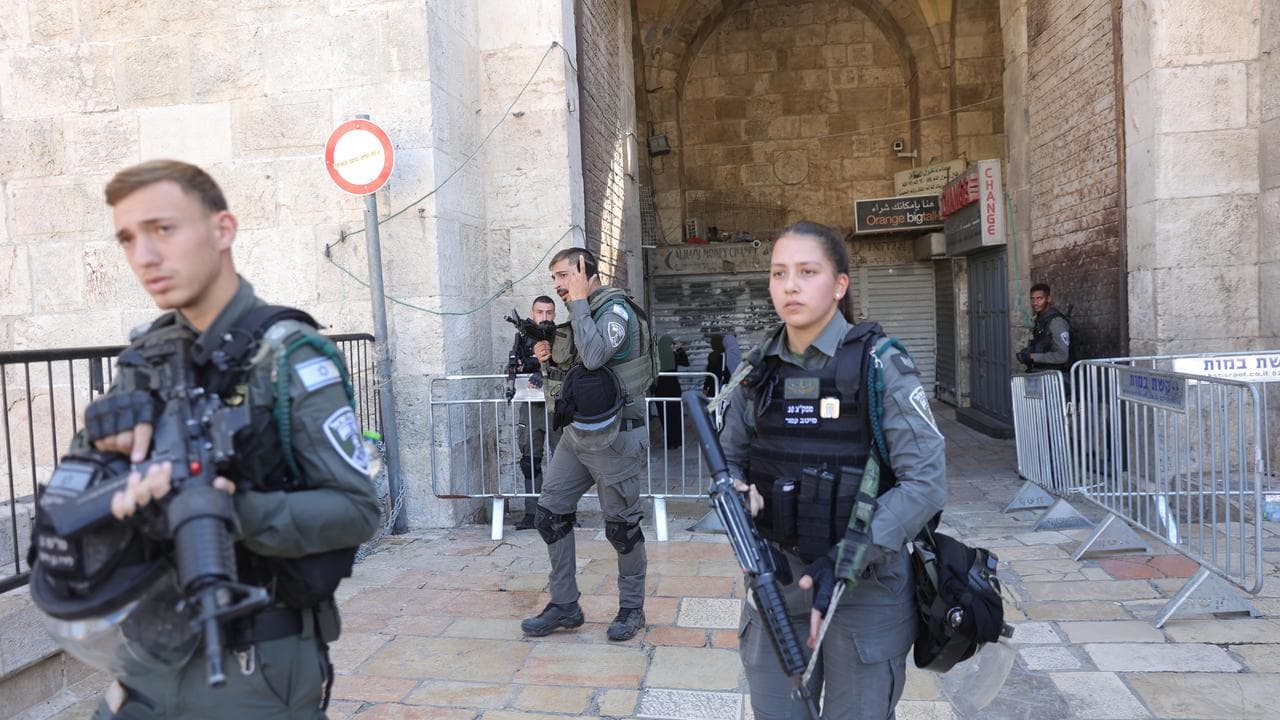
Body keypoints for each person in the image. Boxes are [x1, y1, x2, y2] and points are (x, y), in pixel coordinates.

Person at [29, 160, 381, 719]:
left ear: (222, 230)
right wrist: (103, 456)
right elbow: (83, 497)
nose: (143, 256)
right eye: (127, 238)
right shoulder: (144, 359)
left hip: (252, 660)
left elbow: (357, 510)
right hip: (148, 653)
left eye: (162, 229)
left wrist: (232, 511)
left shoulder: (287, 355)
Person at [718, 221, 947, 720]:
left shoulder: (880, 367)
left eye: (807, 271)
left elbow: (925, 484)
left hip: (863, 591)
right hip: (777, 584)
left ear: (840, 284)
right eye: (779, 273)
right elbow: (730, 460)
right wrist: (739, 497)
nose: (791, 286)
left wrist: (849, 555)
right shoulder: (756, 373)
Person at [522, 247, 654, 642]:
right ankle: (565, 605)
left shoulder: (615, 311)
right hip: (578, 436)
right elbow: (578, 378)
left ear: (584, 271)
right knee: (550, 513)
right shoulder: (584, 312)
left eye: (564, 275)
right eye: (555, 279)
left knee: (622, 528)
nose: (559, 286)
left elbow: (596, 357)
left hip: (618, 438)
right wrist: (546, 363)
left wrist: (579, 300)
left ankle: (632, 609)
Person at [510, 295, 557, 530]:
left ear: (555, 314)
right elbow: (514, 363)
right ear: (533, 312)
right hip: (530, 407)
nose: (544, 317)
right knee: (530, 461)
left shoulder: (562, 336)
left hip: (556, 407)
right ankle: (532, 513)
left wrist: (544, 371)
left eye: (549, 312)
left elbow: (570, 366)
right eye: (540, 312)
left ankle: (563, 513)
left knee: (562, 462)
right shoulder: (522, 337)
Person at [1016, 283, 1071, 376]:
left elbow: (1062, 356)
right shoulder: (1040, 320)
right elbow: (1043, 344)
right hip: (1043, 374)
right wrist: (1028, 352)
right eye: (1032, 299)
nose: (1035, 303)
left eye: (1039, 298)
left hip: (1057, 378)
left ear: (1048, 299)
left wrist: (1032, 356)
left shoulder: (1056, 322)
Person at [654, 335, 690, 448]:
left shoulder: (655, 357)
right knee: (675, 416)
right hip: (674, 389)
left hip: (660, 390)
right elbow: (685, 362)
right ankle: (678, 441)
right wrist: (679, 349)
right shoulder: (673, 355)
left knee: (665, 416)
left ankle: (670, 443)